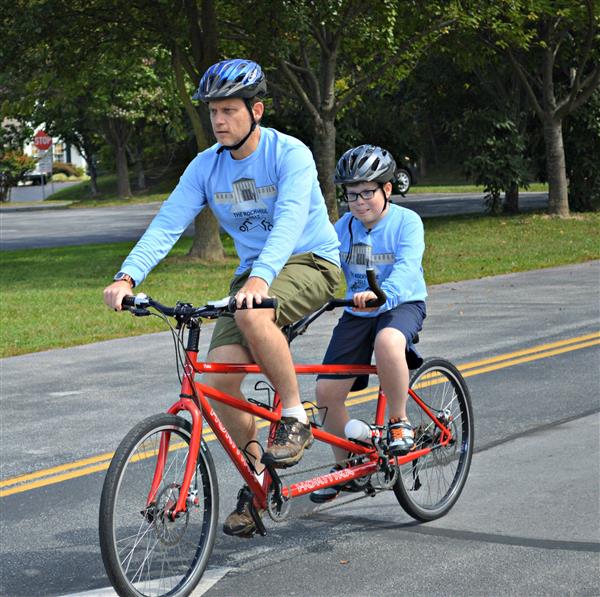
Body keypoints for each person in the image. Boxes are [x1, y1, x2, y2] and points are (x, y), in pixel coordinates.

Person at [103, 58, 340, 535]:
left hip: (312, 261)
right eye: (213, 111)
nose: (219, 121)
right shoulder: (206, 166)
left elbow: (292, 219)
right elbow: (169, 223)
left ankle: (294, 417)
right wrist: (127, 276)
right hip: (255, 275)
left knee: (255, 316)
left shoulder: (288, 153)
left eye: (229, 110)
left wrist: (261, 279)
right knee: (221, 385)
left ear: (257, 110)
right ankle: (258, 484)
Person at [310, 144, 427, 503]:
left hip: (401, 304)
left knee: (388, 342)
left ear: (387, 190)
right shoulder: (342, 227)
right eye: (351, 194)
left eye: (367, 193)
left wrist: (384, 294)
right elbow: (323, 266)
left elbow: (407, 268)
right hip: (357, 311)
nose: (359, 202)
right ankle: (347, 466)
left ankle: (399, 421)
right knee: (325, 395)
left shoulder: (407, 222)